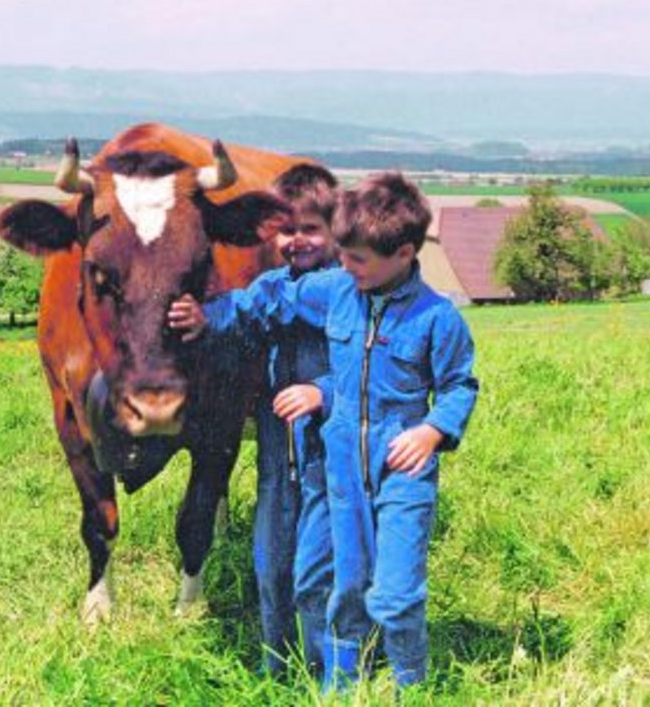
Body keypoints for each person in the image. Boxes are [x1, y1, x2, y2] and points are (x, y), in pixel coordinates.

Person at [169, 172, 478, 691]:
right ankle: (326, 685)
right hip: (335, 468)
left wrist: (429, 431)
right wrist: (209, 315)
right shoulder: (338, 290)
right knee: (321, 579)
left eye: (356, 258)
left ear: (403, 254)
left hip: (387, 464)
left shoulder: (436, 317)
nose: (347, 266)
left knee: (382, 591)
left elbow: (452, 386)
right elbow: (267, 299)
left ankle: (406, 686)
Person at [185, 164, 339, 678]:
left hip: (329, 461)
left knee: (317, 572)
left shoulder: (350, 291)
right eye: (287, 231)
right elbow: (243, 309)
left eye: (311, 228)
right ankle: (277, 668)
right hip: (277, 461)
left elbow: (372, 373)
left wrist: (323, 392)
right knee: (270, 567)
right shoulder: (272, 285)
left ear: (337, 229)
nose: (297, 241)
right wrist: (203, 318)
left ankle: (326, 675)